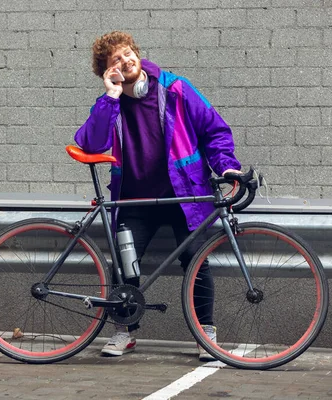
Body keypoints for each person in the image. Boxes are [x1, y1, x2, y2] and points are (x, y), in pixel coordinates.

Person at [74, 31, 242, 361]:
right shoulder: (112, 103)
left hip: (186, 197)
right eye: (115, 61)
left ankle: (205, 333)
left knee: (196, 262)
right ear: (110, 73)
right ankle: (124, 331)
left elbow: (214, 130)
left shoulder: (176, 88)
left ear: (138, 54)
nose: (125, 61)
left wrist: (227, 167)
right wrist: (110, 96)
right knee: (125, 267)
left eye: (127, 54)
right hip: (135, 199)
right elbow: (91, 144)